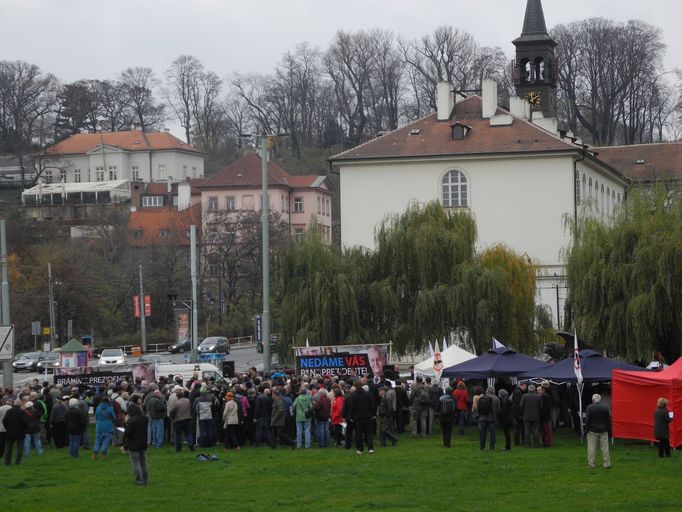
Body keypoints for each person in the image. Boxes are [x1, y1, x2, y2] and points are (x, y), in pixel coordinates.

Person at [123, 403, 149, 486]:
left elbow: (127, 433)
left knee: (136, 463)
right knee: (144, 462)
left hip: (134, 443)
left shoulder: (131, 420)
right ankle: (145, 479)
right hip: (143, 442)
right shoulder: (145, 418)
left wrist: (126, 423)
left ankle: (139, 480)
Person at [585, 393, 611, 468]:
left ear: (593, 400)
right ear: (600, 399)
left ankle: (591, 463)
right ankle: (606, 464)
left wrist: (586, 430)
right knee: (605, 448)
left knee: (591, 448)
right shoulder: (606, 407)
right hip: (603, 430)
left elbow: (587, 420)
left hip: (592, 430)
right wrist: (609, 430)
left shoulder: (589, 407)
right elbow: (608, 420)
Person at [350, 382, 375, 454]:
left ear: (355, 387)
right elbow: (372, 405)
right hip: (367, 416)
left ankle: (360, 449)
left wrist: (352, 416)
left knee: (359, 434)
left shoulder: (353, 395)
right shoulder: (367, 394)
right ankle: (370, 448)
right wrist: (373, 414)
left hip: (358, 417)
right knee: (369, 433)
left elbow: (352, 407)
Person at [2, 399, 28, 466]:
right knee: (20, 448)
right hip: (20, 432)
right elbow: (25, 422)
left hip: (10, 432)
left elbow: (4, 421)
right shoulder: (22, 412)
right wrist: (25, 428)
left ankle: (7, 462)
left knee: (8, 447)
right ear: (20, 404)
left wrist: (7, 428)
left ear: (14, 404)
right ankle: (18, 461)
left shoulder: (9, 411)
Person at [478, 386, 501, 450]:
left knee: (483, 433)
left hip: (483, 418)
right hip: (492, 418)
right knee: (492, 433)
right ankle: (492, 447)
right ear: (493, 391)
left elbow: (479, 408)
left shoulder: (482, 397)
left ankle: (482, 447)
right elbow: (498, 410)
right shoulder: (496, 398)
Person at [92, 396, 115, 460]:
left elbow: (96, 417)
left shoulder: (98, 408)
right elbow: (113, 417)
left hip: (99, 426)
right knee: (106, 441)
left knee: (97, 441)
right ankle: (103, 455)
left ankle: (94, 454)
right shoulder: (110, 408)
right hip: (108, 426)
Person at [538, 381, 553, 447]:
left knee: (545, 430)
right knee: (546, 430)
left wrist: (541, 414)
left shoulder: (544, 396)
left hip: (545, 416)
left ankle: (547, 442)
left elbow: (544, 407)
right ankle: (546, 442)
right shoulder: (547, 395)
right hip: (546, 415)